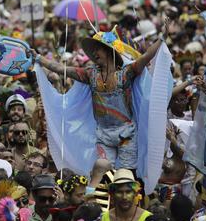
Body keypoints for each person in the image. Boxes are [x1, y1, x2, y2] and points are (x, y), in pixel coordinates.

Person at [36, 22, 169, 169]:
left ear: (108, 51)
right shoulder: (90, 74)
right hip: (103, 135)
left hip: (127, 134)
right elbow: (61, 68)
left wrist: (162, 37)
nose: (94, 54)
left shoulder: (126, 74)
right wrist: (38, 58)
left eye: (97, 49)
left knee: (126, 175)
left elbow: (147, 56)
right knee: (103, 173)